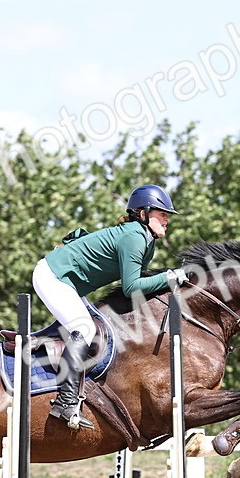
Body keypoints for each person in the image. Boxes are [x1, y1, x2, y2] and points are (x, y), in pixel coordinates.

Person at [32, 184, 190, 430]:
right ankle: (65, 402)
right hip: (53, 276)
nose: (167, 218)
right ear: (143, 213)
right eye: (161, 212)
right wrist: (170, 277)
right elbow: (131, 287)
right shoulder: (135, 236)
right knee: (84, 330)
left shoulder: (145, 240)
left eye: (166, 213)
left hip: (67, 282)